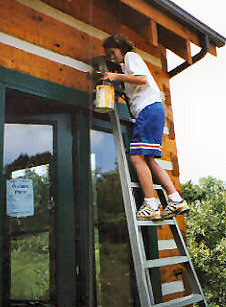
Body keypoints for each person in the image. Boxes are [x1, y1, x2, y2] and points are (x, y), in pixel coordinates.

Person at [101, 34, 189, 220]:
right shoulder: (127, 66)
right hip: (152, 110)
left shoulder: (131, 58)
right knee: (148, 159)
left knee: (136, 158)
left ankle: (150, 204)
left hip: (148, 110)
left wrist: (116, 75)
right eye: (108, 55)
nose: (111, 57)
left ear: (121, 48)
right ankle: (175, 198)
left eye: (112, 53)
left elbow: (142, 79)